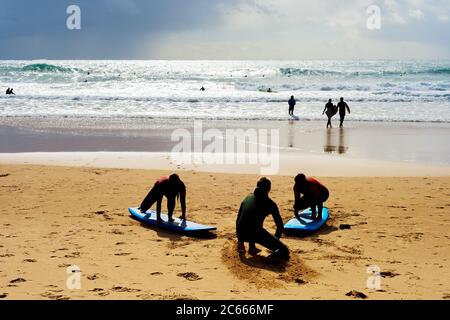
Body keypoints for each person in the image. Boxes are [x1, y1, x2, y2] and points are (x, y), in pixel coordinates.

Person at [236, 177, 289, 260]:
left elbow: (239, 219)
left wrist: (240, 240)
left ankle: (252, 247)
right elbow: (280, 226)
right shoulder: (270, 204)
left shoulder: (247, 198)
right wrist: (276, 241)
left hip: (241, 233)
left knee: (253, 220)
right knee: (284, 251)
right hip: (254, 233)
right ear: (269, 189)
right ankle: (268, 258)